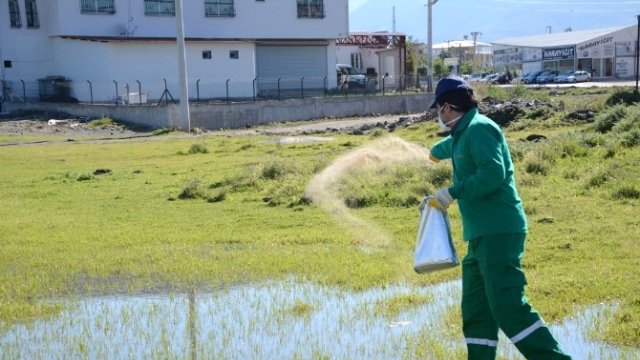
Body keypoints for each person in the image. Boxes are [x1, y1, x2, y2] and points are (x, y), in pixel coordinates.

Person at [426, 75, 571, 360]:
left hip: (498, 231)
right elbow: (452, 148)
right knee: (477, 311)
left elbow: (493, 173)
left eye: (438, 110)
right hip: (479, 236)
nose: (438, 117)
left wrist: (453, 192)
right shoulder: (463, 133)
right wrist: (431, 153)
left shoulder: (480, 130)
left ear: (446, 108)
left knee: (508, 308)